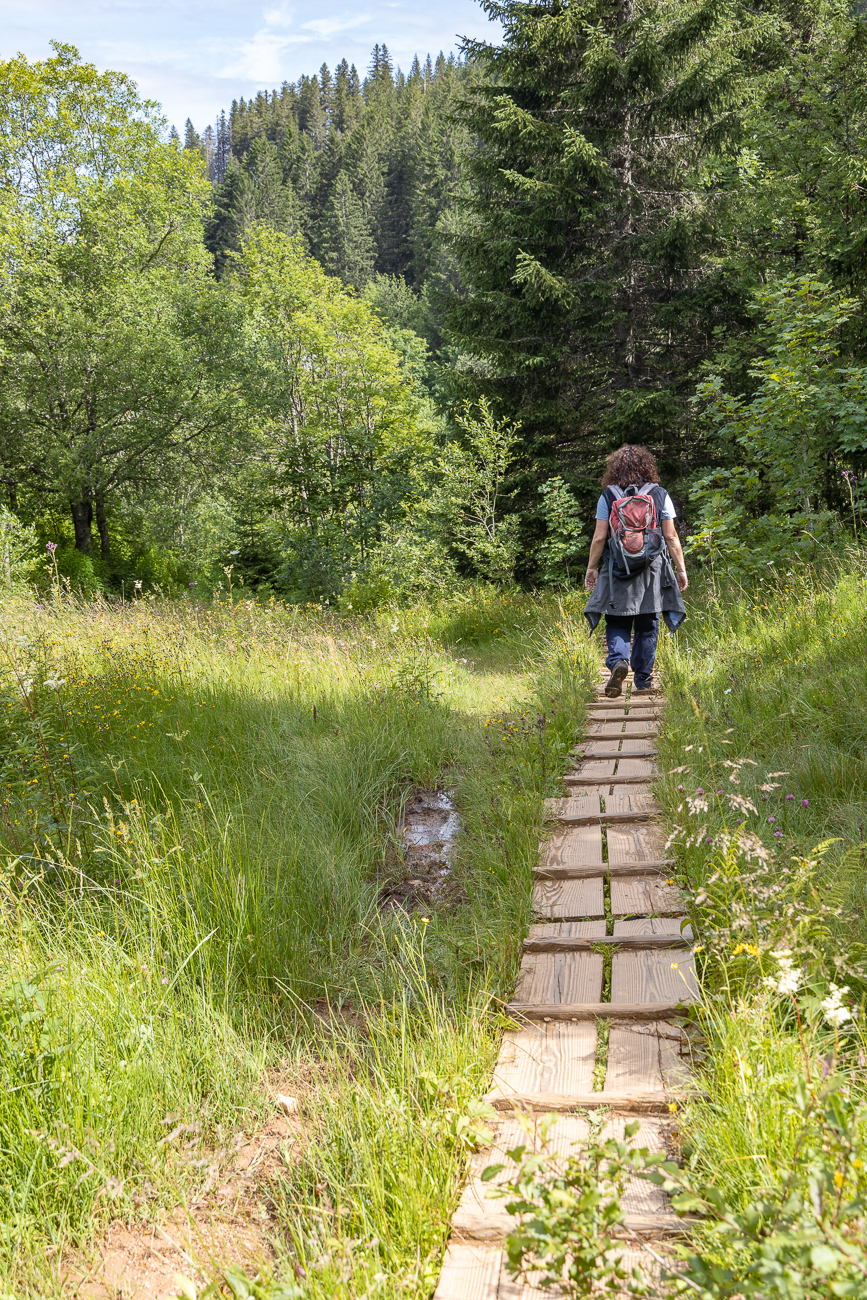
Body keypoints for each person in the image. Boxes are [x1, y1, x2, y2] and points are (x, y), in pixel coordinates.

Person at [584, 444, 688, 696]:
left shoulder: (608, 496)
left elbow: (599, 537)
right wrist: (681, 570)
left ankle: (619, 660)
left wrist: (592, 567)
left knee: (617, 619)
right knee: (647, 622)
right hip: (651, 570)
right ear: (647, 467)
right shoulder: (660, 494)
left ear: (614, 470)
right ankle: (643, 680)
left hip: (617, 567)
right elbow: (671, 536)